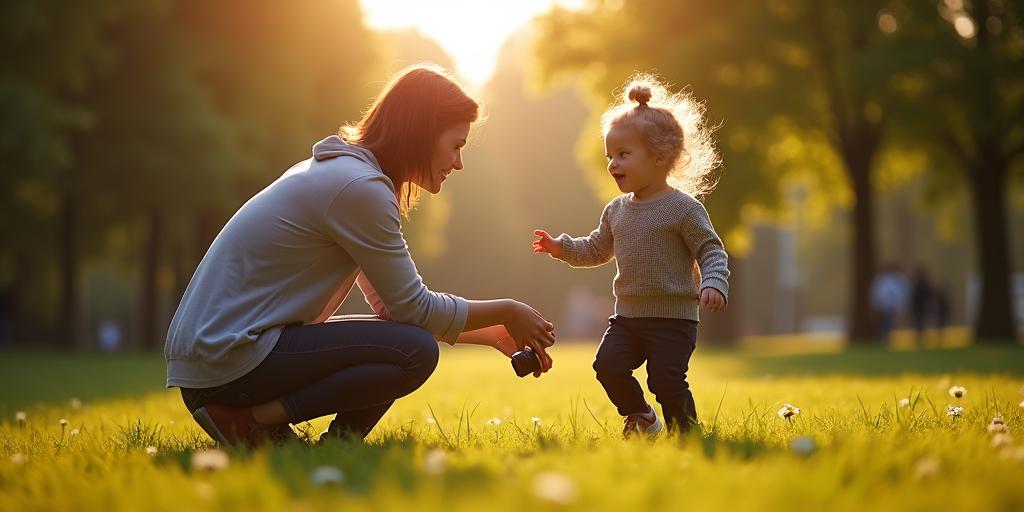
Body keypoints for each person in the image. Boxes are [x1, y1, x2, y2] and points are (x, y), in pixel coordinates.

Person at [165, 65, 557, 448]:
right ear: (422, 132)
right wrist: (507, 310)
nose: (458, 163)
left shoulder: (347, 176)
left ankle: (332, 445)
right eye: (456, 145)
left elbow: (393, 307)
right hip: (229, 362)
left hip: (217, 362)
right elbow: (414, 308)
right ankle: (252, 421)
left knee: (409, 340)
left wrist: (490, 334)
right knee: (414, 350)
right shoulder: (358, 188)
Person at [532, 75, 729, 437]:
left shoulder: (684, 209)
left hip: (673, 319)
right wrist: (562, 248)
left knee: (665, 379)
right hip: (628, 318)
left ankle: (687, 434)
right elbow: (596, 248)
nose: (613, 164)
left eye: (623, 155)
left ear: (660, 156)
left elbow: (710, 249)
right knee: (607, 365)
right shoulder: (616, 211)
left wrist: (714, 282)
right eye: (610, 156)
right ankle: (641, 416)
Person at [869, 263, 910, 344]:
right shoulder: (881, 280)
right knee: (883, 323)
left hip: (891, 307)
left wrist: (899, 305)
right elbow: (877, 294)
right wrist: (877, 305)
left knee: (890, 323)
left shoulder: (897, 280)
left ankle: (887, 339)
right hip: (883, 307)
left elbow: (901, 294)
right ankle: (882, 338)